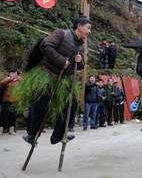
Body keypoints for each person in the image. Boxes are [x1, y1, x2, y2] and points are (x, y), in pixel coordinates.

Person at [17, 17, 91, 145]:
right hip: (45, 74)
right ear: (79, 26)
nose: (89, 32)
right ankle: (32, 134)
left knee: (71, 104)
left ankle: (58, 135)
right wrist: (61, 61)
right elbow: (46, 45)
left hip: (62, 80)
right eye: (88, 28)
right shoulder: (61, 34)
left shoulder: (80, 45)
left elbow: (80, 66)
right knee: (41, 105)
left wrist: (79, 61)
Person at [0, 69, 21, 135]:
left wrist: (19, 79)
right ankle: (1, 129)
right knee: (4, 115)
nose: (13, 74)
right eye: (11, 73)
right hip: (6, 100)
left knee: (13, 116)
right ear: (9, 74)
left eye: (15, 73)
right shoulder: (6, 80)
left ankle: (11, 129)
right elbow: (2, 83)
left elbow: (24, 84)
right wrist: (11, 79)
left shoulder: (18, 81)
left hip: (15, 101)